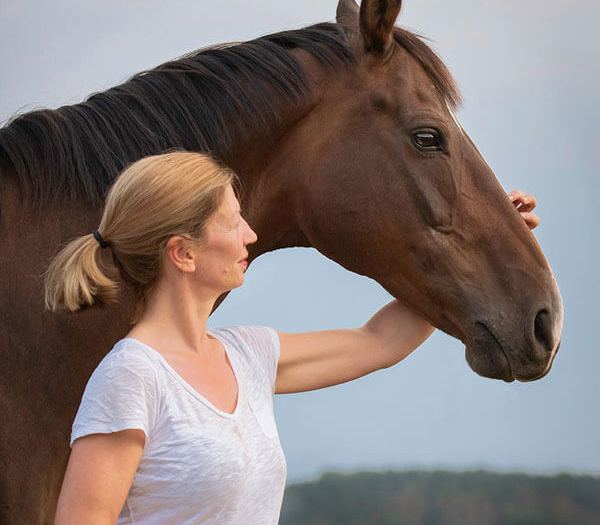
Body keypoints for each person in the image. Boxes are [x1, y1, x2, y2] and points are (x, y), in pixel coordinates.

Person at [44, 149, 539, 525]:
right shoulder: (131, 377)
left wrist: (483, 244)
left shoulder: (248, 354)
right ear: (183, 253)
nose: (250, 234)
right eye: (232, 221)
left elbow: (381, 340)